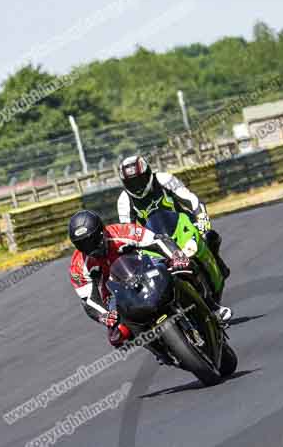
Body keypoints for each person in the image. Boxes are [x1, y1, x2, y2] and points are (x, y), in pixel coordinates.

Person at [67, 210, 230, 363]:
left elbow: (158, 240)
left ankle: (212, 307)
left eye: (92, 241)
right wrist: (105, 315)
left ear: (101, 232)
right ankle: (158, 350)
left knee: (187, 267)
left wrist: (176, 255)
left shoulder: (120, 232)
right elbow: (88, 300)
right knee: (118, 336)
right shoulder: (78, 266)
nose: (90, 248)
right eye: (83, 245)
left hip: (146, 270)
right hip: (116, 295)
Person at [116, 156, 232, 281]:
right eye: (131, 183)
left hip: (183, 224)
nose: (137, 185)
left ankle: (216, 262)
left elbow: (191, 200)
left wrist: (201, 219)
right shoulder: (124, 200)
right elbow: (128, 230)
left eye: (140, 180)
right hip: (154, 238)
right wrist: (133, 247)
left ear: (148, 173)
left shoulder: (164, 179)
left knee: (209, 236)